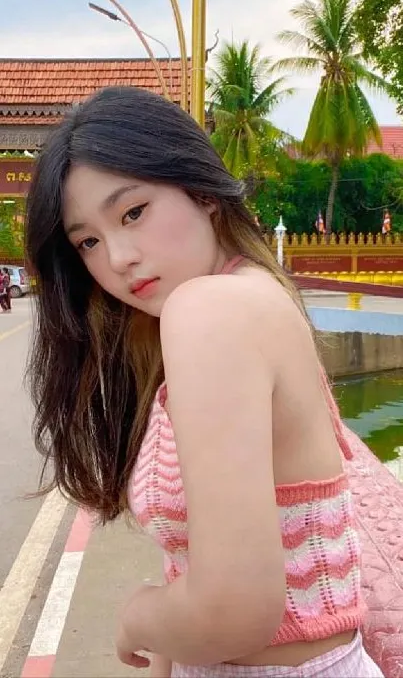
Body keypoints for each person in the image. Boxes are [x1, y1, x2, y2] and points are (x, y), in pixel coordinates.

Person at [25, 86, 383, 678]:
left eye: (133, 212)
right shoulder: (252, 296)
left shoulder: (208, 312)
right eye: (87, 241)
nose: (117, 257)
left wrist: (140, 615)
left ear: (201, 192)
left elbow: (234, 610)